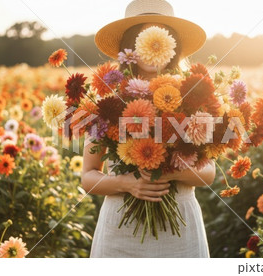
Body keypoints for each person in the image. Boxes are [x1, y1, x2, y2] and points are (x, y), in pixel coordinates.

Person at [81, 0, 215, 257]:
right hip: (120, 232)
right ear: (130, 45)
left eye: (160, 39)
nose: (153, 47)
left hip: (181, 233)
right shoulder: (108, 102)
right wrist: (126, 183)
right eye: (145, 38)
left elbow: (208, 173)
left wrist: (169, 173)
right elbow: (88, 177)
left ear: (172, 45)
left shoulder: (194, 96)